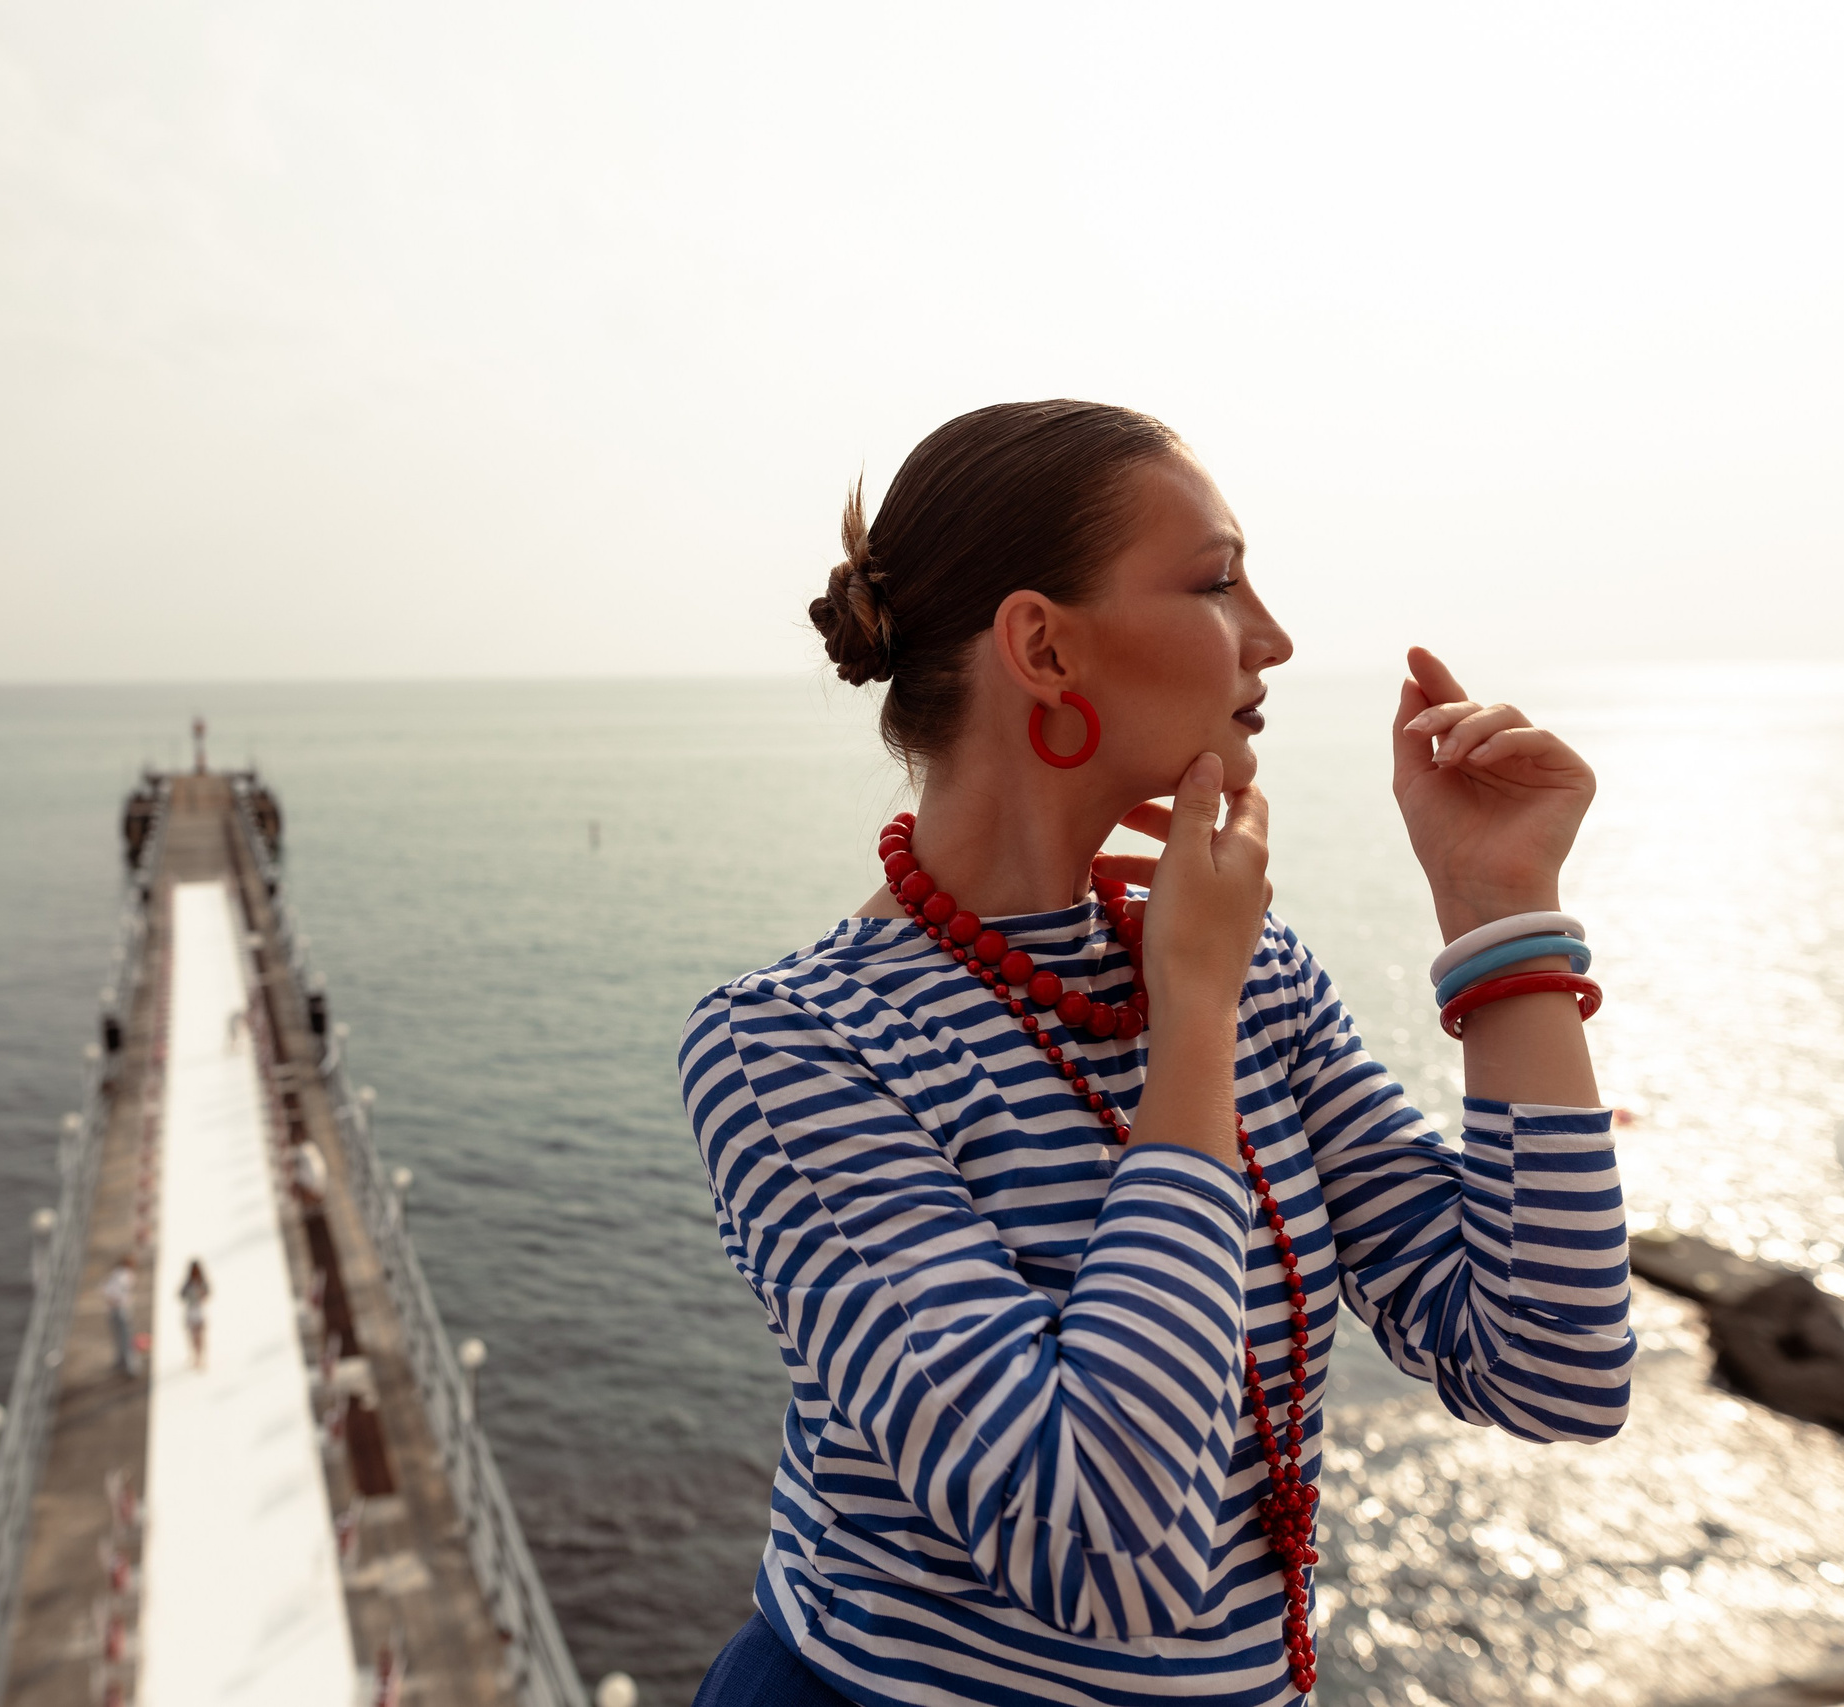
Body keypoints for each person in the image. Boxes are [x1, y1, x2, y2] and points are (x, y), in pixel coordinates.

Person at [678, 401, 1631, 1707]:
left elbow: (1555, 1361)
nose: (1275, 636)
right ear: (1043, 645)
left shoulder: (1251, 967)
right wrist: (1191, 1022)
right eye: (1219, 579)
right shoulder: (795, 1045)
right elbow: (1106, 1555)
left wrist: (1498, 902)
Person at [102, 1255, 138, 1378]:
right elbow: (114, 1293)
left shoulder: (116, 1274)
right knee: (125, 1338)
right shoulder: (124, 1275)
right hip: (121, 1310)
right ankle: (130, 1366)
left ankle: (124, 1363)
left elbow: (106, 1290)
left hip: (115, 1310)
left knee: (120, 1338)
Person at [179, 1259, 212, 1371]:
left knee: (200, 1336)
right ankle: (194, 1355)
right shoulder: (188, 1283)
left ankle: (200, 1356)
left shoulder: (202, 1282)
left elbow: (208, 1293)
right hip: (191, 1311)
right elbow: (181, 1295)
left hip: (199, 1311)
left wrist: (201, 1295)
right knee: (193, 1336)